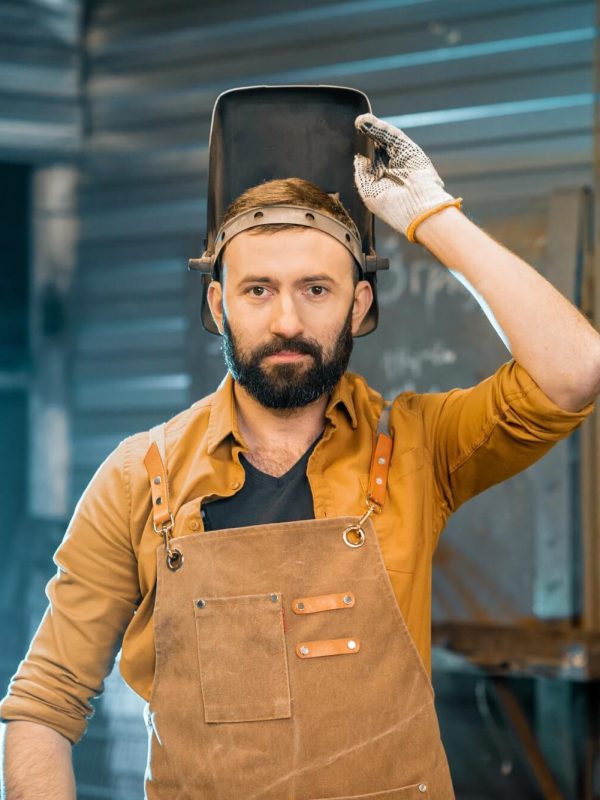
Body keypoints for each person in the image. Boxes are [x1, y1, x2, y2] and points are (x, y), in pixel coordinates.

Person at [1, 112, 598, 800]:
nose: (287, 320)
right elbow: (44, 704)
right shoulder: (140, 478)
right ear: (218, 303)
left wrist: (433, 215)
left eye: (317, 289)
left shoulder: (417, 448)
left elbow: (576, 370)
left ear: (359, 305)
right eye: (259, 290)